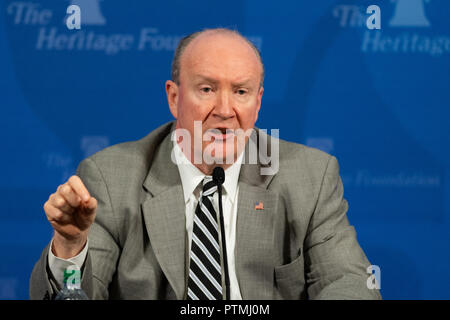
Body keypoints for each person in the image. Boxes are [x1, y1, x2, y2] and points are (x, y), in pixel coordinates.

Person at [30, 28, 381, 300]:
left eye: (241, 92)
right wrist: (71, 248)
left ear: (258, 103)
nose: (225, 110)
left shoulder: (309, 176)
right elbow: (75, 294)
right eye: (207, 89)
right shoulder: (111, 177)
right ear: (174, 97)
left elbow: (348, 281)